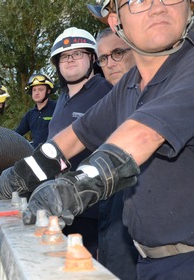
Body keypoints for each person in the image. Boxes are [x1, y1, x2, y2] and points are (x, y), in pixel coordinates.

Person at [0, 0, 194, 280]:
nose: (159, 7)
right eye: (140, 0)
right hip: (152, 265)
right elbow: (71, 140)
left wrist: (73, 188)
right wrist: (19, 177)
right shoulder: (130, 85)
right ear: (115, 18)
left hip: (191, 274)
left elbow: (142, 135)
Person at [27, 27, 113, 258]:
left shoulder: (106, 92)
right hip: (61, 205)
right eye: (65, 56)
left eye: (77, 54)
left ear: (92, 58)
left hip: (95, 210)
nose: (70, 60)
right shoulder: (62, 99)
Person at [94, 26, 139, 280]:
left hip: (142, 236)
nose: (110, 63)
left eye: (117, 53)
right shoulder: (112, 102)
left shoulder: (151, 95)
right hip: (110, 219)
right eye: (103, 58)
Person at [14, 74, 57, 148]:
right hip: (36, 155)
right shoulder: (30, 114)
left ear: (48, 91)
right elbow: (16, 134)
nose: (36, 93)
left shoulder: (57, 108)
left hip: (55, 154)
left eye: (40, 89)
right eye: (34, 90)